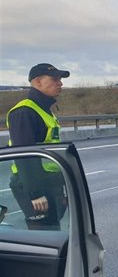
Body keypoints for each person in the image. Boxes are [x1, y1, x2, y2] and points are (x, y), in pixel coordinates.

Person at [6, 63, 70, 230]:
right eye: (55, 79)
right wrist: (35, 194)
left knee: (54, 232)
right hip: (33, 186)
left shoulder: (44, 109)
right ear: (37, 81)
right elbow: (24, 155)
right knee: (44, 237)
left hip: (48, 183)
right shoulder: (24, 112)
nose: (60, 83)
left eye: (60, 79)